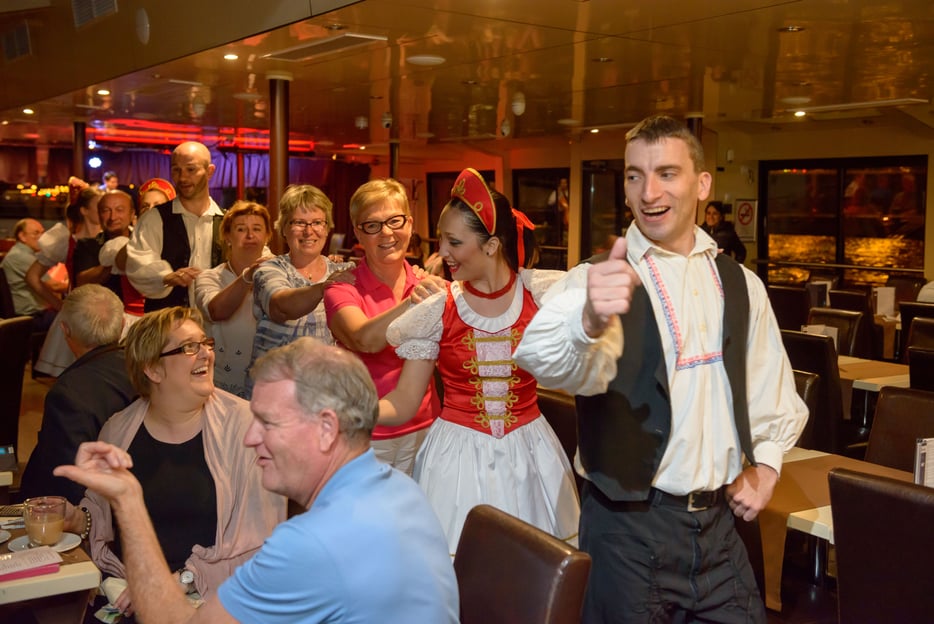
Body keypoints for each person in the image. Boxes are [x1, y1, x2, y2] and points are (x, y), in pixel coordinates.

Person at [513, 115, 808, 623]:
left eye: (667, 173)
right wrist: (588, 319)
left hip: (719, 530)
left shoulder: (741, 284)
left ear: (702, 183)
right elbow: (542, 359)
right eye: (634, 175)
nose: (649, 192)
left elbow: (770, 391)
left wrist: (768, 466)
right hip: (627, 532)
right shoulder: (597, 278)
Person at [54, 337, 460, 624]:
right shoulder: (402, 490)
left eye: (267, 423)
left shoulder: (308, 545)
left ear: (325, 429)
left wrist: (128, 500)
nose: (250, 437)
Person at [378, 168, 580, 553]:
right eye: (442, 240)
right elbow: (404, 401)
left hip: (531, 456)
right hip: (455, 460)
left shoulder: (542, 296)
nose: (443, 253)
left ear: (491, 245)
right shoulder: (437, 309)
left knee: (535, 577)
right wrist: (347, 411)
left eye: (454, 242)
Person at [65, 306, 285, 614]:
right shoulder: (118, 430)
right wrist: (79, 519)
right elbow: (103, 515)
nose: (207, 354)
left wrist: (181, 580)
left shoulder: (248, 428)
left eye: (206, 344)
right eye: (189, 348)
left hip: (215, 601)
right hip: (130, 594)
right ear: (153, 369)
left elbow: (264, 544)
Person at [324, 179, 444, 474]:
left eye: (394, 221)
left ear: (410, 224)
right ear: (358, 233)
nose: (387, 232)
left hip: (428, 430)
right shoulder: (343, 287)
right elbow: (364, 339)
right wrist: (416, 302)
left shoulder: (427, 284)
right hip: (367, 434)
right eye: (373, 225)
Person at [20, 285, 137, 504]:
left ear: (64, 330)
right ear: (122, 325)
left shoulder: (68, 393)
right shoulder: (142, 369)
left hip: (93, 513)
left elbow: (67, 479)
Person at [250, 184, 354, 368]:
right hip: (274, 388)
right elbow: (282, 307)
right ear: (283, 228)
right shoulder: (269, 269)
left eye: (317, 222)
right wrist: (324, 287)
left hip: (325, 389)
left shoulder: (343, 271)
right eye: (299, 222)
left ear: (327, 227)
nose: (308, 231)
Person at [125, 141, 225, 311]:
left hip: (217, 327)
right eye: (176, 170)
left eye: (191, 169)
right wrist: (166, 276)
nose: (183, 178)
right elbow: (137, 265)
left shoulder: (227, 221)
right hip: (167, 326)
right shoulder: (155, 218)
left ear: (209, 172)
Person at [194, 201, 273, 398]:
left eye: (257, 229)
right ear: (227, 237)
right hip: (223, 386)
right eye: (241, 229)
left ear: (267, 236)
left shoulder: (278, 274)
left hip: (271, 382)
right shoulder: (209, 277)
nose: (250, 235)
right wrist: (248, 275)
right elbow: (217, 311)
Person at [1, 218, 59, 329]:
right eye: (36, 233)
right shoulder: (20, 256)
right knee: (74, 320)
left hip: (32, 315)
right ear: (22, 236)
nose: (42, 237)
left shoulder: (22, 253)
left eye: (43, 232)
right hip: (29, 317)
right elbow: (54, 286)